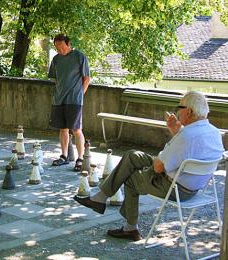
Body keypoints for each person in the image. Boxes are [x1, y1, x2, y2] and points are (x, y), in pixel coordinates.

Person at [74, 91, 224, 241]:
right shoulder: (215, 132)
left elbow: (159, 168)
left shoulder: (186, 136)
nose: (178, 111)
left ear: (189, 111)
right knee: (132, 155)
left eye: (180, 107)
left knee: (131, 178)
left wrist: (174, 140)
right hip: (193, 187)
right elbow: (189, 149)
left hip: (174, 188)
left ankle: (129, 228)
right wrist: (176, 131)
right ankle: (100, 198)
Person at [48, 34, 90, 171]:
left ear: (68, 44)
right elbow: (54, 79)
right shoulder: (56, 59)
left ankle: (80, 158)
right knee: (63, 128)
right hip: (59, 99)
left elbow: (86, 79)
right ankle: (64, 156)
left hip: (74, 99)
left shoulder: (79, 57)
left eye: (61, 46)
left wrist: (80, 95)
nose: (59, 49)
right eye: (57, 47)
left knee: (77, 129)